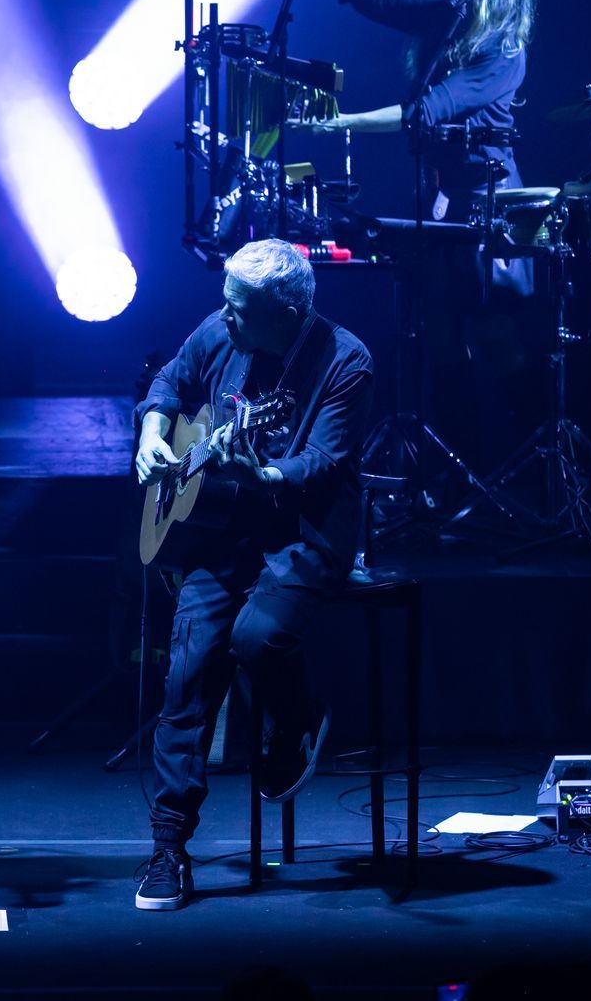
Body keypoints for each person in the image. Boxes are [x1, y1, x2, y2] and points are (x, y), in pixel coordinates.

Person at [131, 239, 372, 912]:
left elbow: (322, 462)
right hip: (221, 531)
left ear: (286, 313)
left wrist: (261, 473)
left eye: (239, 308)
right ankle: (169, 847)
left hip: (303, 533)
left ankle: (296, 721)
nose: (224, 315)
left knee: (256, 638)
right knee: (187, 676)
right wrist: (153, 434)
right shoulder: (222, 328)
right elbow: (168, 384)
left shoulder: (345, 360)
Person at [296, 0, 538, 221]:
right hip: (440, 195)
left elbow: (423, 111)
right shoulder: (448, 20)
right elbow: (373, 0)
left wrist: (339, 123)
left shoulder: (504, 51)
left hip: (489, 205)